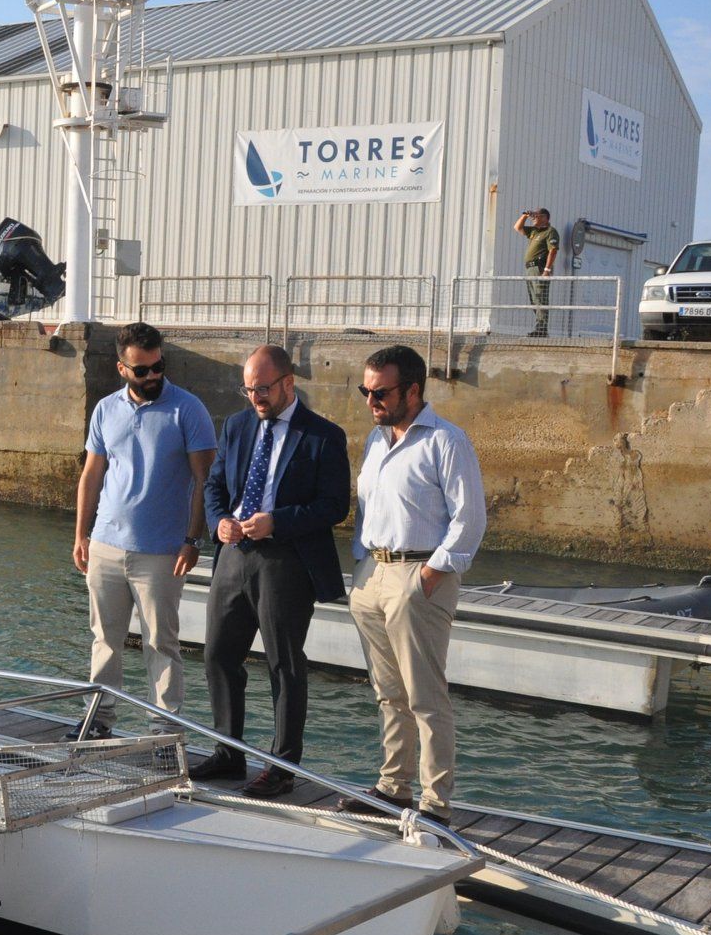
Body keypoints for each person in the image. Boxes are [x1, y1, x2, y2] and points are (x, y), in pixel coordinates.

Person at [192, 344, 351, 797]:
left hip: (286, 560)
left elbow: (333, 506)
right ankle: (228, 753)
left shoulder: (323, 435)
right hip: (233, 554)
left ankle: (282, 767)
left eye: (262, 389)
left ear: (287, 383)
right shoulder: (238, 425)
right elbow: (216, 484)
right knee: (218, 655)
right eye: (248, 390)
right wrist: (220, 519)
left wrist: (277, 521)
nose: (255, 398)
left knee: (284, 664)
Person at [338, 345, 485, 823]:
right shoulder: (377, 440)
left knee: (425, 696)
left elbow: (470, 520)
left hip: (418, 575)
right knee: (388, 692)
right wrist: (364, 564)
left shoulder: (447, 440)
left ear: (413, 390)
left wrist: (428, 575)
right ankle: (393, 787)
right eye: (366, 391)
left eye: (380, 392)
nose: (370, 401)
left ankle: (436, 806)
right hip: (373, 574)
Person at [74, 321, 217, 720]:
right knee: (104, 640)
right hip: (104, 545)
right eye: (142, 370)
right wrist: (81, 535)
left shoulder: (188, 409)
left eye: (158, 366)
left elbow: (206, 480)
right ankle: (98, 722)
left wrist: (193, 540)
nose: (153, 376)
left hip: (163, 552)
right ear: (122, 369)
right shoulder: (105, 410)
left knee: (162, 644)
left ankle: (163, 732)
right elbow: (91, 475)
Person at [514, 208, 559, 337]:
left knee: (540, 298)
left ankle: (542, 329)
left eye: (536, 216)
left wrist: (547, 270)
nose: (533, 219)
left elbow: (553, 250)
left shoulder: (550, 232)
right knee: (534, 299)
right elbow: (517, 228)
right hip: (530, 268)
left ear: (545, 218)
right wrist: (525, 215)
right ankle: (539, 327)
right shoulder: (534, 231)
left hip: (539, 268)